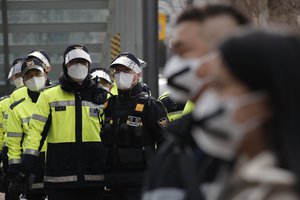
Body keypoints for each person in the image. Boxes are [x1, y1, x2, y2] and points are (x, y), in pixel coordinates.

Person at [143, 4, 250, 200]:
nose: (176, 64)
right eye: (175, 53)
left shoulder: (274, 140)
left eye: (184, 51)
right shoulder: (174, 149)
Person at [199, 28, 300, 200]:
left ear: (263, 103)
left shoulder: (280, 193)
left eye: (221, 86)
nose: (208, 96)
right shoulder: (243, 176)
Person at [21, 45, 105, 200]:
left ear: (89, 65)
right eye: (74, 62)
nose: (79, 66)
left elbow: (109, 133)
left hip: (94, 175)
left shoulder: (100, 96)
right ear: (66, 66)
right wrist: (29, 160)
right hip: (59, 177)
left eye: (83, 62)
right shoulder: (49, 95)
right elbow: (36, 131)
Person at [101, 52, 168, 200]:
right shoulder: (110, 105)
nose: (120, 74)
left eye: (125, 71)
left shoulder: (151, 105)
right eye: (117, 71)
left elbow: (165, 144)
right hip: (111, 183)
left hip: (139, 183)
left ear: (137, 75)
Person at [6, 58, 51, 200]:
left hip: (56, 159)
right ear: (24, 81)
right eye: (28, 76)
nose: (34, 79)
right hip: (31, 163)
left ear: (45, 74)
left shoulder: (57, 98)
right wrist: (15, 172)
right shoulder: (17, 107)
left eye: (37, 74)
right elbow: (13, 142)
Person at [0, 58, 25, 196]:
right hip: (10, 156)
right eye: (15, 76)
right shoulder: (4, 103)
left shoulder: (42, 98)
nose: (18, 79)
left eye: (21, 75)